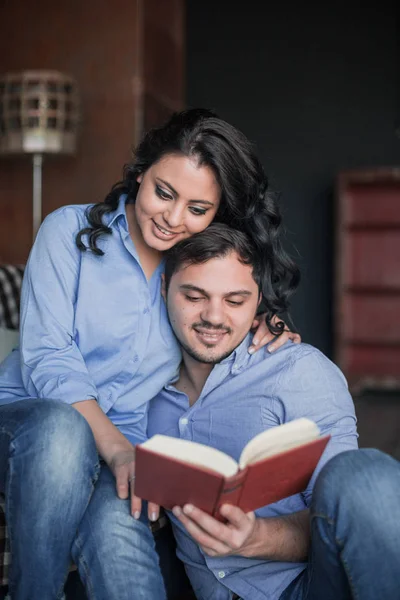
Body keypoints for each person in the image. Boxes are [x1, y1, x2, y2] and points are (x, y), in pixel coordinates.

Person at [0, 109, 299, 600]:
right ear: (139, 174)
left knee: (120, 540)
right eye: (164, 192)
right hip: (28, 426)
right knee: (62, 431)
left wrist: (263, 317)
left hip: (123, 452)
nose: (173, 219)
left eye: (198, 208)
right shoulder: (68, 232)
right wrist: (119, 450)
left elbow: (220, 324)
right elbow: (49, 358)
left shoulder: (195, 274)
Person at [147, 222, 369, 600]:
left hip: (307, 589)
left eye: (235, 301)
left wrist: (254, 538)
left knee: (365, 479)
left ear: (258, 304)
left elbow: (345, 522)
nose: (214, 318)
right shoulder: (141, 394)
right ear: (165, 288)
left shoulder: (296, 370)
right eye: (195, 296)